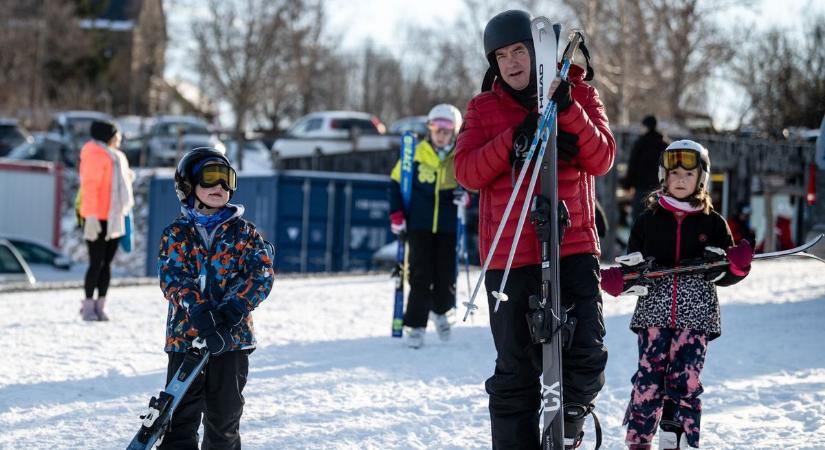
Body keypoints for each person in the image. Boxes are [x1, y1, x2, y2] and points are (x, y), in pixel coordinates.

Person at [454, 10, 615, 449]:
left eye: (519, 50)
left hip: (573, 246)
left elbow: (602, 158)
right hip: (510, 257)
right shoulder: (483, 107)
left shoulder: (581, 93)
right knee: (516, 371)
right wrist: (511, 142)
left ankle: (567, 430)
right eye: (501, 55)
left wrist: (569, 113)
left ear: (537, 51)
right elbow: (466, 171)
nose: (511, 62)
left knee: (586, 355)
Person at [600, 140, 754, 450]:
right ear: (663, 177)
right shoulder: (647, 221)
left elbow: (724, 274)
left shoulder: (713, 222)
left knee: (685, 378)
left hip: (697, 313)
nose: (681, 180)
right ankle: (640, 439)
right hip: (654, 312)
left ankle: (677, 435)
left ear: (701, 178)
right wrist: (620, 281)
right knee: (649, 380)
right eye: (674, 174)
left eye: (688, 173)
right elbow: (635, 269)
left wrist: (738, 267)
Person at [157, 147, 274, 449]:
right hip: (187, 340)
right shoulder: (176, 234)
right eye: (210, 179)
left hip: (231, 340)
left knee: (224, 421)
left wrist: (232, 310)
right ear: (188, 185)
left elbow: (260, 274)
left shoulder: (245, 233)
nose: (219, 187)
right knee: (180, 419)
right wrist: (198, 311)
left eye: (226, 180)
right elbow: (173, 277)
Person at [389, 103, 468, 349]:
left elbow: (472, 184)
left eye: (447, 131)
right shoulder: (415, 154)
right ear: (430, 129)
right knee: (420, 275)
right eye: (437, 129)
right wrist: (396, 214)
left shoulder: (459, 157)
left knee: (445, 274)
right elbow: (395, 184)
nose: (441, 135)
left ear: (454, 133)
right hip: (420, 225)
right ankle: (415, 325)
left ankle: (442, 310)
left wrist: (466, 198)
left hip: (447, 227)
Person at [78, 119, 134, 321]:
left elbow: (120, 183)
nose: (119, 139)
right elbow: (90, 187)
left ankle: (101, 304)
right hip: (96, 217)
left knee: (107, 263)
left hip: (114, 216)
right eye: (116, 135)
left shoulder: (117, 157)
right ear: (107, 136)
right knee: (96, 262)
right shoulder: (94, 154)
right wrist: (90, 216)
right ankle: (88, 306)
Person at [623, 115, 670, 223]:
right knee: (657, 220)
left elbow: (633, 165)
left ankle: (638, 240)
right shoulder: (664, 145)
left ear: (646, 127)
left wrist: (628, 185)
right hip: (659, 188)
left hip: (641, 187)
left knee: (638, 219)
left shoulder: (640, 143)